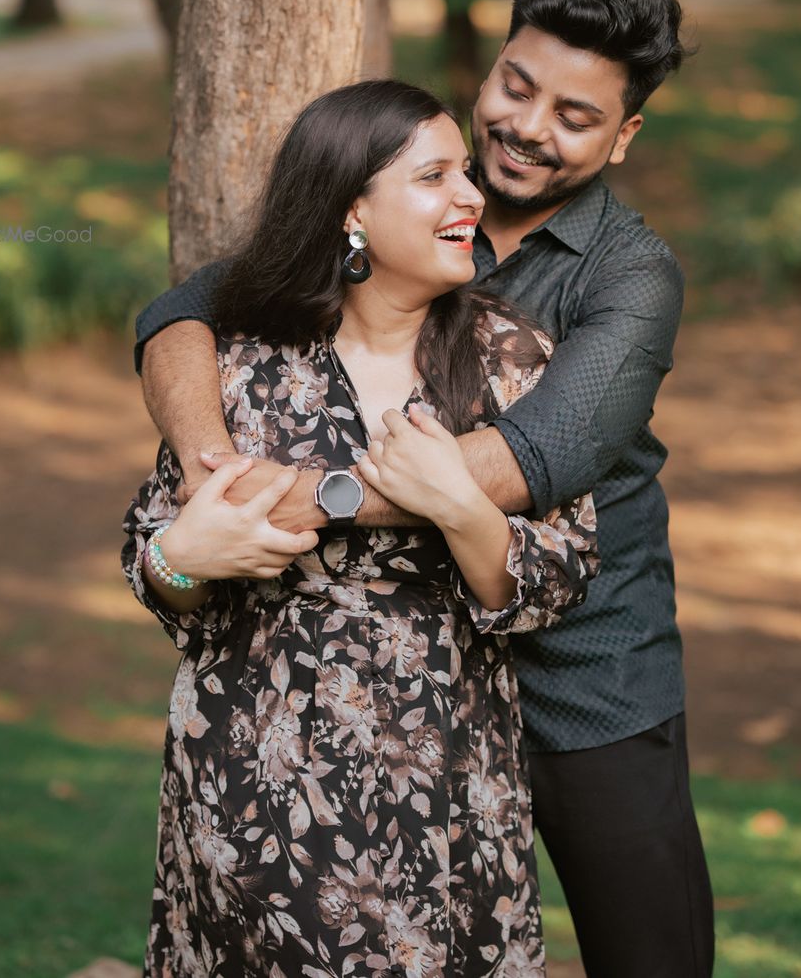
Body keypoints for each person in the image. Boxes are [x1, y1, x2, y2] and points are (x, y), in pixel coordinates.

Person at [134, 0, 716, 978]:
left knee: (652, 956)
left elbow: (529, 459)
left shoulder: (628, 273)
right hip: (398, 695)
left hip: (584, 663)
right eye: (517, 87)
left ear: (623, 139)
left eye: (575, 116)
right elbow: (181, 310)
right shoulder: (410, 182)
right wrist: (202, 470)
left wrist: (291, 499)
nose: (527, 126)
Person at [122, 80, 599, 977]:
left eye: (466, 173)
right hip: (256, 789)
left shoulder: (511, 357)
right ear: (353, 212)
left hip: (450, 784)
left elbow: (560, 573)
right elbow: (155, 564)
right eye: (435, 177)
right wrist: (178, 557)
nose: (471, 197)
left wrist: (457, 503)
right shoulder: (242, 372)